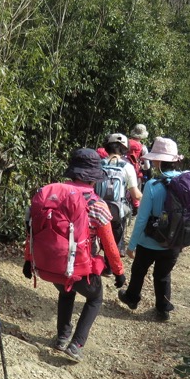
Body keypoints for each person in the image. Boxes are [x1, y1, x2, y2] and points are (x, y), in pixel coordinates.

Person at [23, 148, 126, 363]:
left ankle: (62, 337)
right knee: (95, 298)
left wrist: (28, 260)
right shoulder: (96, 204)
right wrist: (118, 272)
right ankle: (76, 344)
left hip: (49, 267)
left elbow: (31, 229)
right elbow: (109, 245)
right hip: (79, 268)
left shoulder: (49, 194)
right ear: (94, 177)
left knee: (65, 292)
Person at [118, 137, 190, 322]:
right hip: (174, 242)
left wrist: (131, 244)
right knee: (163, 275)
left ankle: (132, 298)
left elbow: (142, 218)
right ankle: (163, 309)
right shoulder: (188, 183)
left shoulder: (152, 185)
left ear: (157, 161)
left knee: (139, 270)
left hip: (149, 240)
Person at [101, 133, 142, 258]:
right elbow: (135, 194)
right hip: (117, 210)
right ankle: (109, 266)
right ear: (124, 149)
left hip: (98, 208)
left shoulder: (99, 164)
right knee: (114, 239)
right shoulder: (127, 167)